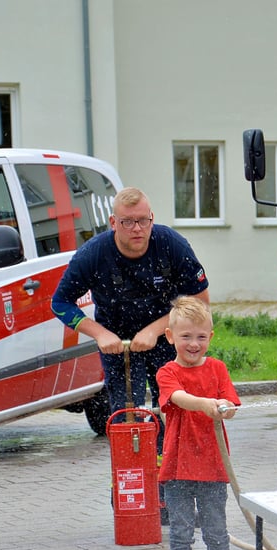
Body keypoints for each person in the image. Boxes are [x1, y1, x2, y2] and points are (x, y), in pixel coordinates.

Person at [52, 186, 209, 523]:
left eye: (143, 221)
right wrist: (99, 333)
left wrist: (154, 330)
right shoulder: (93, 254)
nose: (137, 230)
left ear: (152, 220)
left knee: (173, 413)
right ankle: (129, 492)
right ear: (113, 222)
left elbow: (200, 300)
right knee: (129, 419)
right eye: (128, 222)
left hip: (166, 339)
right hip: (117, 346)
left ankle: (170, 494)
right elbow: (59, 303)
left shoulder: (171, 245)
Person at [155, 297, 253, 550]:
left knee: (216, 531)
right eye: (185, 337)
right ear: (170, 337)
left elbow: (232, 405)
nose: (193, 344)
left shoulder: (218, 369)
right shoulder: (167, 372)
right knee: (182, 533)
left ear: (210, 337)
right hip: (177, 470)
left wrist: (226, 407)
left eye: (200, 336)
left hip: (214, 466)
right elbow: (179, 398)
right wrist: (205, 403)